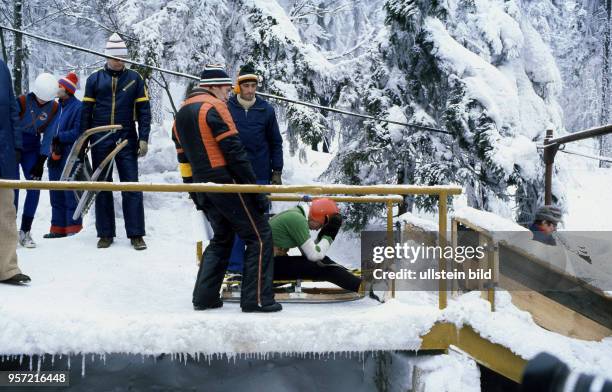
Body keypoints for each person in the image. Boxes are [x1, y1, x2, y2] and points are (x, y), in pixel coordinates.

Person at [172, 64, 280, 313]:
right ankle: (258, 300)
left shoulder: (181, 114)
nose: (228, 93)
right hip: (224, 181)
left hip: (202, 184)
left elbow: (183, 161)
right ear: (213, 87)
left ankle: (205, 298)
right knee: (259, 236)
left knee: (221, 238)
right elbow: (234, 151)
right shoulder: (214, 107)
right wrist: (254, 191)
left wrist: (194, 193)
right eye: (226, 88)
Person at [81, 33, 151, 250]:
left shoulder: (135, 79)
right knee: (102, 185)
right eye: (116, 57)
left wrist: (144, 138)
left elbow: (144, 111)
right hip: (100, 137)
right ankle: (105, 233)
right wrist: (84, 138)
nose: (120, 61)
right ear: (107, 57)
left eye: (123, 57)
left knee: (131, 185)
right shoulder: (94, 79)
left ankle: (136, 234)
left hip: (126, 136)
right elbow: (86, 111)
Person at [227, 64, 284, 274]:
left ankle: (258, 266)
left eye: (253, 86)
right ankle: (235, 267)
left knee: (260, 222)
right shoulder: (227, 108)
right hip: (234, 175)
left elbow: (275, 142)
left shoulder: (266, 110)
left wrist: (276, 171)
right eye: (246, 86)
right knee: (237, 221)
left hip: (260, 174)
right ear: (238, 86)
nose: (250, 90)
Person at [270, 198, 361, 292]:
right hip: (264, 270)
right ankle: (361, 286)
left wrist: (325, 235)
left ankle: (349, 277)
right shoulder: (297, 219)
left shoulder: (296, 214)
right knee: (322, 268)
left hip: (266, 267)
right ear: (320, 216)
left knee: (322, 262)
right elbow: (314, 256)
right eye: (321, 225)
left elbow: (309, 253)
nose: (318, 229)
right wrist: (329, 235)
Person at [14, 72, 59, 248]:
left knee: (34, 185)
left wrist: (41, 160)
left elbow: (49, 134)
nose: (42, 103)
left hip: (33, 146)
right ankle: (8, 230)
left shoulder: (54, 108)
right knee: (13, 187)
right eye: (40, 99)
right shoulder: (22, 101)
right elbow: (11, 125)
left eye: (45, 101)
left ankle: (25, 230)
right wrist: (15, 148)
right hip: (14, 145)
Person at [0, 58, 30, 284]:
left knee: (5, 212)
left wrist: (17, 145)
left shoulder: (1, 67)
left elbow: (12, 109)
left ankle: (7, 268)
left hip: (4, 153)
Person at [43, 72, 83, 238]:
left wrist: (59, 137)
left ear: (67, 90)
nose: (57, 88)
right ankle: (57, 228)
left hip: (70, 154)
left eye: (60, 86)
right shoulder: (55, 106)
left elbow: (78, 132)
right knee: (55, 190)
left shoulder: (78, 107)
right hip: (54, 153)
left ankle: (73, 228)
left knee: (68, 190)